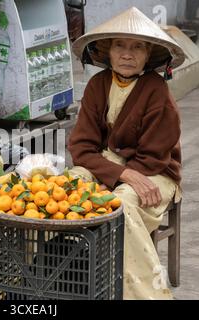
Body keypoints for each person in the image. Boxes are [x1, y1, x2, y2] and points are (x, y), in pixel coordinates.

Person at [68, 7, 185, 299]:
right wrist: (119, 173)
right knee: (68, 188)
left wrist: (123, 178)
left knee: (120, 204)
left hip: (155, 172)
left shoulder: (157, 91)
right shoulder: (97, 85)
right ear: (107, 51)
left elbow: (154, 156)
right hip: (112, 167)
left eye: (138, 47)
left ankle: (143, 293)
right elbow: (82, 149)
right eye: (119, 45)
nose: (127, 54)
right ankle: (69, 278)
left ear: (149, 55)